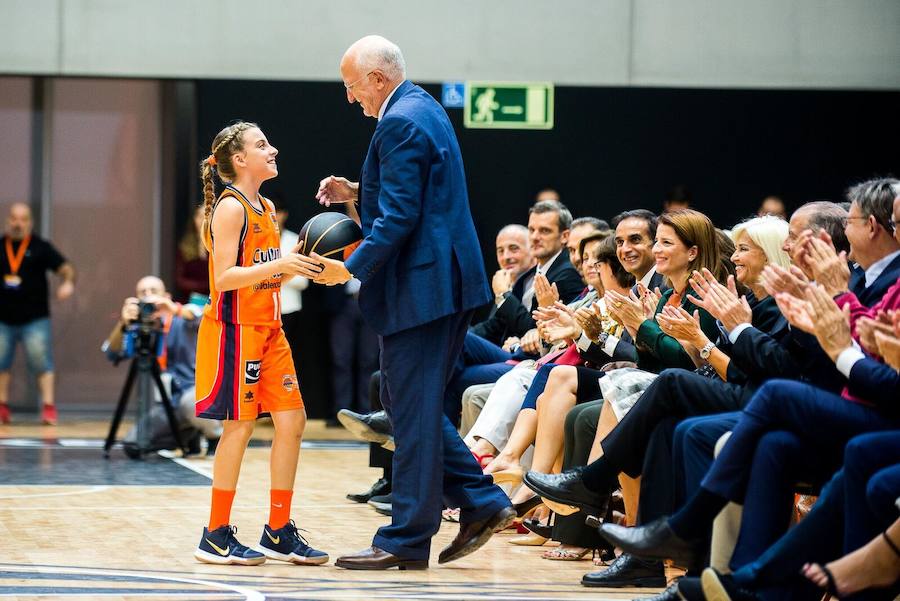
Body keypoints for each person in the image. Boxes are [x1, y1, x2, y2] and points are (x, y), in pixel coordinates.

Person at [307, 35, 514, 570]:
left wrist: (346, 268)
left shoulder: (399, 121)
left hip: (424, 289)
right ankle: (482, 500)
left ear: (378, 78)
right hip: (440, 284)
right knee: (405, 406)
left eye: (353, 88)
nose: (352, 99)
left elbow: (399, 218)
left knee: (412, 409)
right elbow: (419, 196)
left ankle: (406, 539)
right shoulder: (421, 107)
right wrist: (357, 190)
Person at [192, 121, 327, 567]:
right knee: (240, 427)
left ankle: (278, 529)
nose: (273, 149)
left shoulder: (266, 206)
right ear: (239, 159)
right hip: (235, 331)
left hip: (270, 329)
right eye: (262, 144)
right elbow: (224, 279)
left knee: (293, 422)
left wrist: (302, 268)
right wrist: (285, 263)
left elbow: (266, 273)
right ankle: (214, 533)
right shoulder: (231, 209)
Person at [101, 275, 221, 455]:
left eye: (154, 292)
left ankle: (214, 437)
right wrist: (123, 324)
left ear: (166, 295)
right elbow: (111, 353)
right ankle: (187, 433)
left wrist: (174, 309)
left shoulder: (181, 320)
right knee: (133, 445)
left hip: (187, 392)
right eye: (143, 293)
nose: (148, 297)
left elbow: (201, 315)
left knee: (193, 402)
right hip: (164, 405)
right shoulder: (136, 330)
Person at [0, 202, 75, 425]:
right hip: (3, 318)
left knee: (42, 362)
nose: (18, 224)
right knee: (1, 363)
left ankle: (48, 407)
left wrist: (68, 282)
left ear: (30, 223)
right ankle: (2, 406)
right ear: (8, 221)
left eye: (23, 219)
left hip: (35, 318)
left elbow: (65, 267)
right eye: (14, 218)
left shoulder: (40, 246)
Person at [174, 205, 210, 302]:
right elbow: (179, 280)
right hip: (189, 300)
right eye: (200, 216)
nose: (203, 220)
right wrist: (204, 285)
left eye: (208, 216)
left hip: (214, 300)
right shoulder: (185, 246)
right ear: (194, 219)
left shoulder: (220, 245)